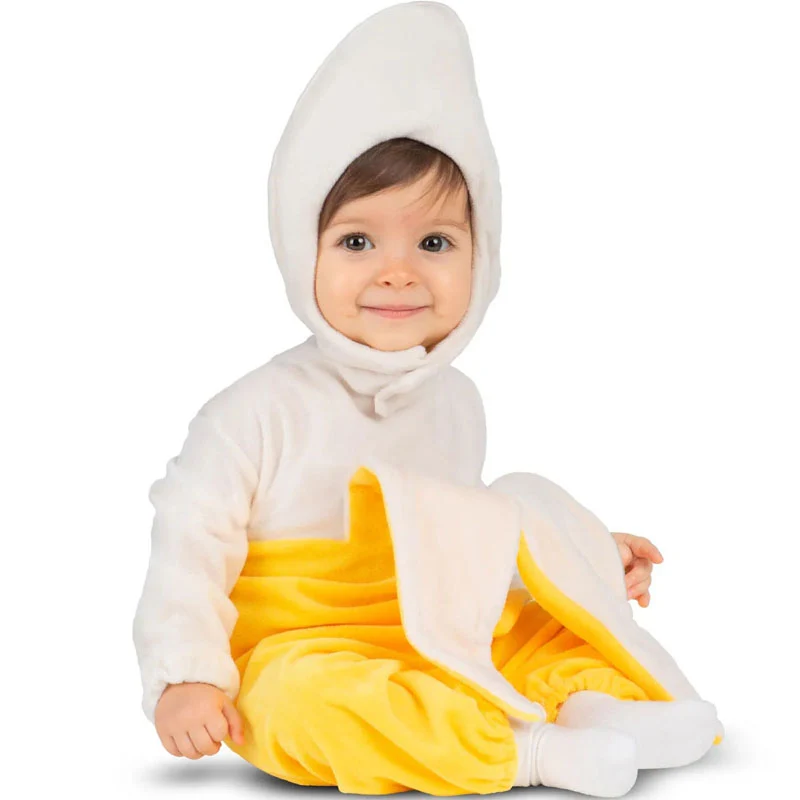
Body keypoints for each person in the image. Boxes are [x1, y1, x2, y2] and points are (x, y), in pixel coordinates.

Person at [133, 3, 720, 796]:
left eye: (435, 242)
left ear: (484, 259)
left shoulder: (457, 403)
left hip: (439, 628)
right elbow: (189, 549)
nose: (397, 271)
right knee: (293, 706)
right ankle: (527, 753)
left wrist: (576, 557)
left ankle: (591, 707)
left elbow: (461, 543)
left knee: (543, 629)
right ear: (301, 251)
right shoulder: (253, 413)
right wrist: (186, 674)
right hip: (306, 643)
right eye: (357, 241)